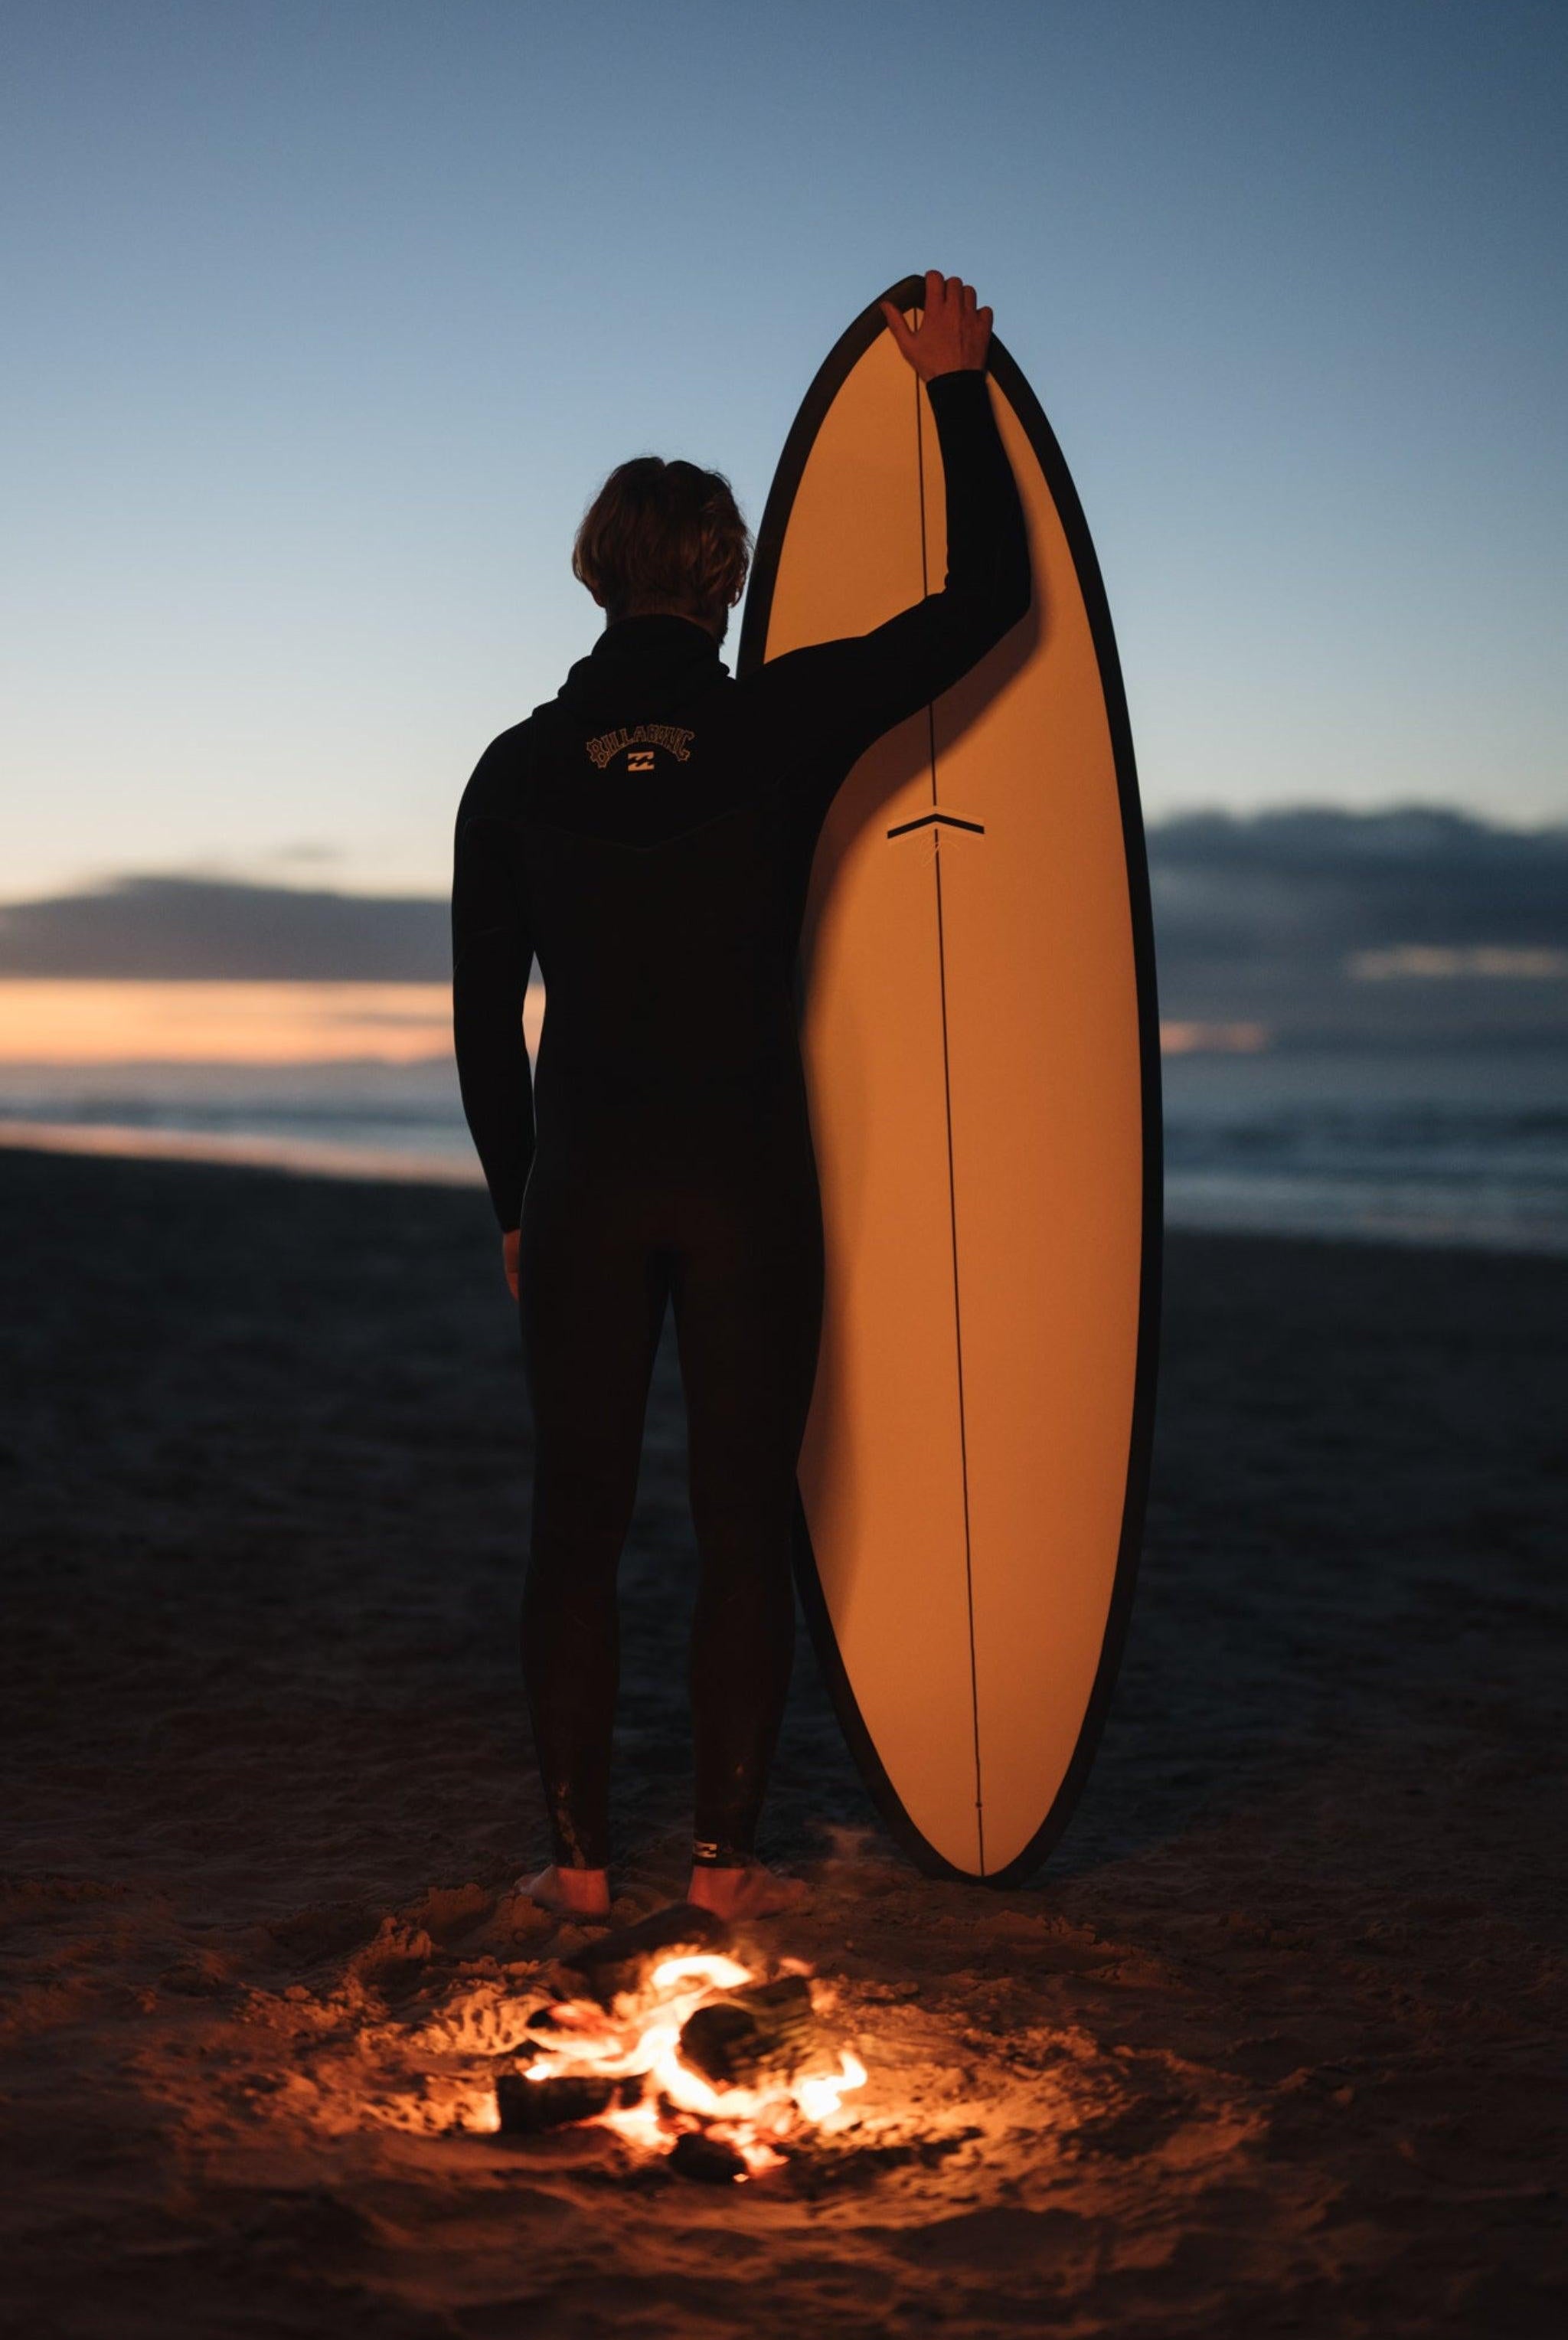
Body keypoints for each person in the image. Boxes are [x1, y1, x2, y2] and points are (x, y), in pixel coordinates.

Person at [452, 273, 1029, 1923]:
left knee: (575, 1523)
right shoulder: (782, 719)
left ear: (595, 572)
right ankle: (722, 1873)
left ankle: (575, 1868)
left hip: (585, 1181)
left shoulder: (513, 769)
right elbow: (990, 600)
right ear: (727, 579)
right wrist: (957, 385)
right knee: (740, 1520)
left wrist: (515, 1199)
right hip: (746, 1176)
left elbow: (485, 1021)